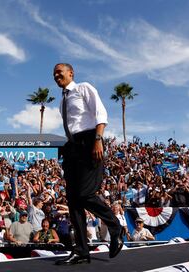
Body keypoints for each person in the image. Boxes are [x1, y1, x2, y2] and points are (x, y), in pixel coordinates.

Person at [53, 63, 123, 265]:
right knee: (73, 201)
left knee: (85, 194)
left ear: (71, 73)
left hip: (89, 142)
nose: (56, 76)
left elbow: (101, 113)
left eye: (60, 72)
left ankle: (115, 226)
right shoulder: (62, 102)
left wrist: (98, 140)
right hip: (72, 147)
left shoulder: (83, 88)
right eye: (54, 74)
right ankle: (82, 251)